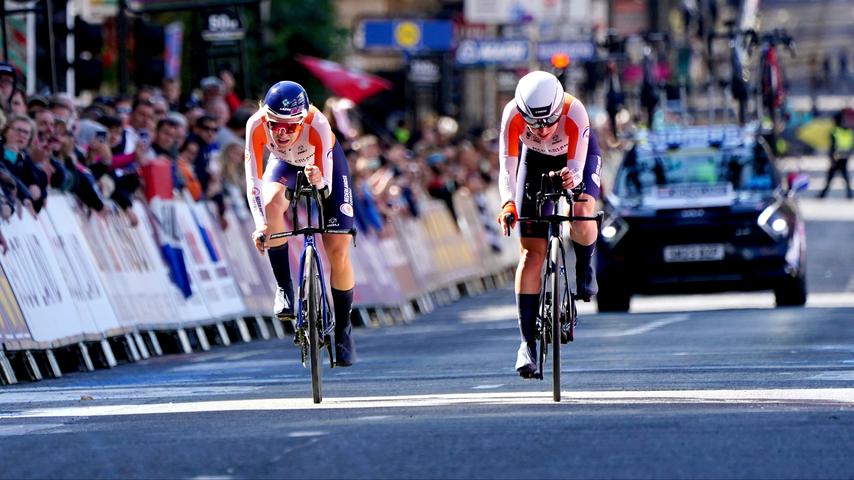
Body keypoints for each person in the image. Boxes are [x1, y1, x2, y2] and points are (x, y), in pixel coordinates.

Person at [497, 71, 603, 378]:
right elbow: (507, 167)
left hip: (574, 157)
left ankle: (584, 267)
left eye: (548, 122)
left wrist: (572, 181)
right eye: (534, 123)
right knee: (531, 253)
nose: (542, 130)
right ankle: (526, 344)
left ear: (559, 111)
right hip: (533, 163)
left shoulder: (575, 110)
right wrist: (508, 204)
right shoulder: (512, 115)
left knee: (582, 210)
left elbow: (577, 167)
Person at [244, 80, 357, 366]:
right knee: (271, 206)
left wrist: (319, 182)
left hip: (320, 165)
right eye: (274, 125)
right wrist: (260, 224)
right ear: (264, 117)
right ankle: (284, 288)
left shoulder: (317, 123)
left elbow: (327, 186)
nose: (281, 133)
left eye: (291, 126)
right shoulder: (255, 125)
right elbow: (253, 182)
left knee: (338, 247)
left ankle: (343, 329)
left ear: (303, 119)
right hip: (283, 166)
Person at [818, 110, 853, 199]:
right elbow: (851, 145)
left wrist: (832, 157)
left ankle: (823, 195)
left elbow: (832, 147)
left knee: (831, 177)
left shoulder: (835, 131)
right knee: (844, 177)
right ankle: (849, 194)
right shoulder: (849, 131)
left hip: (836, 157)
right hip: (844, 157)